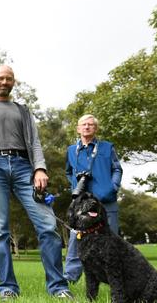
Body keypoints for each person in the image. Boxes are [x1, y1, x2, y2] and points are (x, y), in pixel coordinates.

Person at [0, 65, 73, 299]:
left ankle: (58, 286)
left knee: (48, 226)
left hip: (24, 166)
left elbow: (35, 142)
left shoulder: (23, 111)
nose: (5, 82)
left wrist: (40, 168)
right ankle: (7, 287)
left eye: (9, 78)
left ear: (14, 82)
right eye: (1, 78)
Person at [63, 114, 123, 283]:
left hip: (106, 200)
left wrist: (112, 187)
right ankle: (70, 276)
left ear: (95, 128)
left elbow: (117, 169)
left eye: (90, 125)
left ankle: (115, 277)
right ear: (78, 128)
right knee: (76, 239)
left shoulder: (106, 147)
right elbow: (68, 172)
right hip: (81, 204)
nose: (87, 127)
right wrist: (75, 184)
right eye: (83, 124)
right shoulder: (70, 150)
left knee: (110, 240)